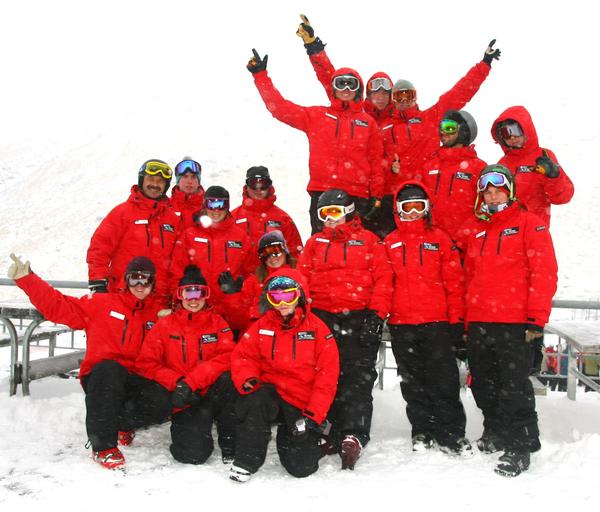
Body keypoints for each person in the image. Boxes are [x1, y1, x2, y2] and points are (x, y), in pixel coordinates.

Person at [8, 254, 172, 471]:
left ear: (154, 283)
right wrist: (28, 279)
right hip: (104, 377)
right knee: (110, 369)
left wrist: (172, 321)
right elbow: (59, 306)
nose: (141, 285)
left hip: (138, 377)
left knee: (166, 397)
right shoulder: (103, 304)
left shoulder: (159, 313)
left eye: (146, 280)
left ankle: (123, 423)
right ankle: (103, 447)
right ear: (126, 280)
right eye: (135, 279)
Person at [454, 164, 558, 477]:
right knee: (484, 384)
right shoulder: (477, 229)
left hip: (515, 323)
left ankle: (520, 444)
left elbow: (544, 275)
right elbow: (468, 278)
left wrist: (535, 321)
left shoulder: (530, 224)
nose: (492, 193)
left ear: (509, 190)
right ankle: (496, 431)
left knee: (514, 387)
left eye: (498, 187)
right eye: (486, 189)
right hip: (481, 321)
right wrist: (465, 322)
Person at [297, 189, 392, 469]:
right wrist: (306, 314)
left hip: (358, 316)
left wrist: (376, 315)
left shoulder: (369, 241)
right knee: (326, 375)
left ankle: (354, 432)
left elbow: (383, 279)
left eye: (336, 213)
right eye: (325, 214)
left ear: (349, 212)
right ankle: (331, 429)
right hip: (324, 316)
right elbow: (303, 280)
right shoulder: (315, 244)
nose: (331, 220)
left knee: (357, 375)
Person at [246, 48, 385, 235]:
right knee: (322, 246)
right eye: (340, 84)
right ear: (333, 88)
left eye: (351, 85)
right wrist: (260, 76)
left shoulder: (368, 123)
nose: (345, 89)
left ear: (358, 90)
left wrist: (376, 196)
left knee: (356, 248)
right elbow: (279, 108)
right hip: (322, 194)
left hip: (356, 196)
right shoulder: (317, 116)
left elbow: (376, 161)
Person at [383, 182, 471, 455]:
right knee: (413, 383)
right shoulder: (390, 242)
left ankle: (451, 432)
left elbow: (454, 284)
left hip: (436, 323)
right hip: (403, 324)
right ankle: (421, 429)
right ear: (398, 210)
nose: (412, 213)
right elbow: (384, 284)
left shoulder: (440, 240)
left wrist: (456, 322)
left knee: (443, 381)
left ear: (427, 209)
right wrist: (380, 315)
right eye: (406, 208)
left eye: (417, 207)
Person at [229, 270, 339, 482]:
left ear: (299, 295)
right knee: (254, 400)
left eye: (288, 296)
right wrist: (248, 379)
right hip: (272, 395)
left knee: (301, 467)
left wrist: (313, 415)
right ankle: (246, 462)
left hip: (301, 403)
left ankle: (318, 438)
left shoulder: (318, 330)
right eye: (275, 297)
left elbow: (327, 378)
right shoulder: (262, 325)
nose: (282, 303)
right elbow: (242, 356)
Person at [135, 265, 237, 464]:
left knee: (231, 380)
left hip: (211, 390)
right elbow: (146, 363)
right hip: (187, 397)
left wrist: (193, 380)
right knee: (192, 454)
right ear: (179, 296)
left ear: (206, 296)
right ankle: (196, 425)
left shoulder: (218, 323)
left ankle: (230, 442)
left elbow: (228, 356)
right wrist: (177, 382)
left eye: (199, 293)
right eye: (187, 293)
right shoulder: (165, 326)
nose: (193, 299)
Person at [383, 40, 500, 188]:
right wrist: (389, 168)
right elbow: (374, 158)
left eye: (409, 95)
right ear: (392, 100)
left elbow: (459, 93)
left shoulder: (429, 118)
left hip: (426, 188)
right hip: (394, 191)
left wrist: (484, 64)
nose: (405, 100)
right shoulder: (384, 128)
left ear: (416, 97)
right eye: (399, 96)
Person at [86, 159, 180, 306]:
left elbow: (178, 262)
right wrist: (98, 283)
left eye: (160, 181)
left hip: (158, 302)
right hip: (124, 299)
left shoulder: (172, 220)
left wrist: (176, 294)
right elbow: (99, 249)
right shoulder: (122, 213)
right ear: (141, 180)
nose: (155, 185)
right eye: (150, 179)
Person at [169, 185, 253, 335]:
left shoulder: (240, 237)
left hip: (228, 312)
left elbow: (251, 273)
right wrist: (178, 300)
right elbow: (176, 271)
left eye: (221, 205)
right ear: (204, 206)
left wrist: (236, 292)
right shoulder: (190, 235)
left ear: (227, 207)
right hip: (196, 306)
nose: (216, 210)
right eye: (211, 204)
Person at [296, 14, 395, 128]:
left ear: (391, 96)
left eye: (384, 94)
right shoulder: (356, 110)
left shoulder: (400, 118)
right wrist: (313, 46)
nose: (380, 98)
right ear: (368, 95)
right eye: (376, 94)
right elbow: (328, 77)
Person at [490, 105, 574, 227]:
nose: (512, 137)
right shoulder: (502, 164)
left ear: (526, 129)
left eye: (515, 130)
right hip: (506, 233)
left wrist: (554, 177)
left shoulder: (544, 157)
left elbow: (563, 197)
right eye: (505, 133)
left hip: (534, 231)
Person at [421, 110, 487, 239]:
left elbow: (485, 208)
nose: (443, 132)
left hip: (465, 243)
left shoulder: (478, 168)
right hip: (432, 243)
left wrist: (464, 237)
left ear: (463, 132)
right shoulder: (429, 166)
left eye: (449, 128)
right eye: (442, 127)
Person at [227, 230, 297, 330]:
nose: (272, 257)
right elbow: (239, 320)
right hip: (259, 333)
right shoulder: (254, 281)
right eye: (265, 254)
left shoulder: (298, 275)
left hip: (289, 333)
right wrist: (234, 296)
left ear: (285, 251)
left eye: (276, 251)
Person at [231, 165, 303, 261]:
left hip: (273, 273)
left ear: (269, 186)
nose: (258, 189)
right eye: (254, 184)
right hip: (243, 275)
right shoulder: (233, 217)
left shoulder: (283, 218)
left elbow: (295, 253)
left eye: (263, 184)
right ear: (246, 187)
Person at [169, 158, 205, 230]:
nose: (189, 181)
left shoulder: (210, 208)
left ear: (198, 181)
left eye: (193, 177)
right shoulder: (165, 207)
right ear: (178, 181)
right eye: (185, 176)